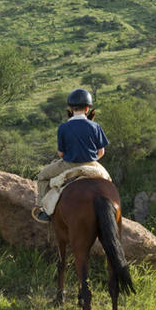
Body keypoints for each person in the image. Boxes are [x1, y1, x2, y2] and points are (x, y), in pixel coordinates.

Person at [33, 88, 109, 223]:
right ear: (87, 108)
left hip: (68, 164)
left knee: (42, 176)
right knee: (108, 181)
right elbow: (101, 152)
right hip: (92, 164)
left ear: (71, 109)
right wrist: (90, 159)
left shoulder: (63, 127)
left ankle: (44, 210)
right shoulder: (95, 126)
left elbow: (61, 153)